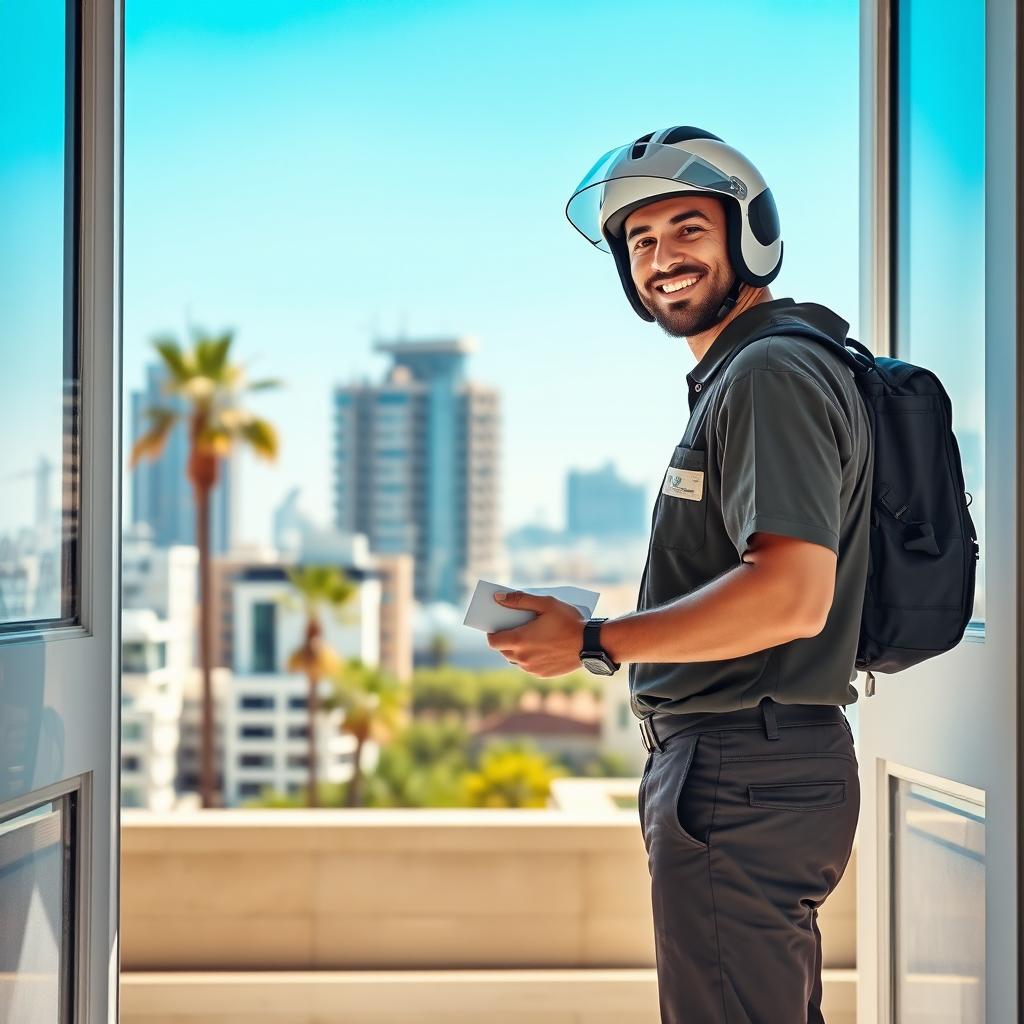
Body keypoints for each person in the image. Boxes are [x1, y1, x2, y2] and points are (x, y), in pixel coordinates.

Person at [485, 126, 870, 1023]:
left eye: (688, 230)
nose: (662, 258)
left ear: (748, 233)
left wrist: (593, 641)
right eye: (641, 242)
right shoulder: (751, 371)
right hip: (749, 763)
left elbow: (790, 594)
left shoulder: (771, 371)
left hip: (743, 765)